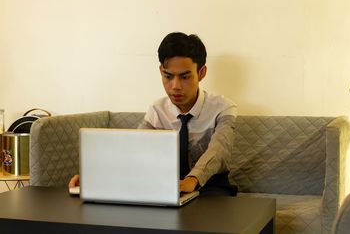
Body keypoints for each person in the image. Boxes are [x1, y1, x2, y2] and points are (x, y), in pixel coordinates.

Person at [69, 32, 237, 196]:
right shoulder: (157, 110)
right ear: (161, 72)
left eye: (185, 77)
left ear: (201, 73)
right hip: (167, 190)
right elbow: (134, 150)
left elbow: (219, 150)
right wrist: (96, 178)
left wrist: (193, 179)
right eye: (168, 76)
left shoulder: (223, 108)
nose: (175, 86)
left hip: (212, 190)